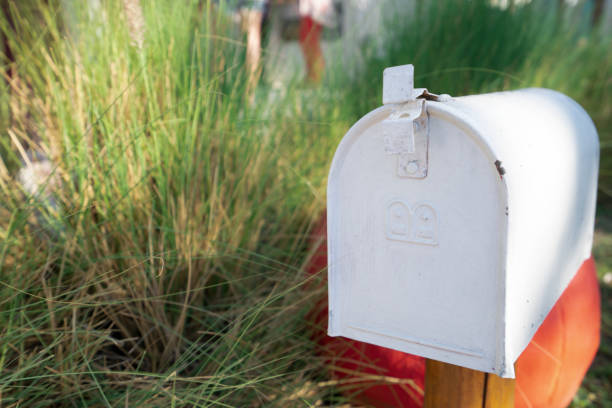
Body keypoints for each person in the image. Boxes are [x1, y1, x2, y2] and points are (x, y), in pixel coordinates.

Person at [298, 0, 337, 83]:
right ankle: (312, 76)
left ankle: (315, 78)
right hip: (311, 9)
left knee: (310, 42)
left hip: (315, 8)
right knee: (306, 41)